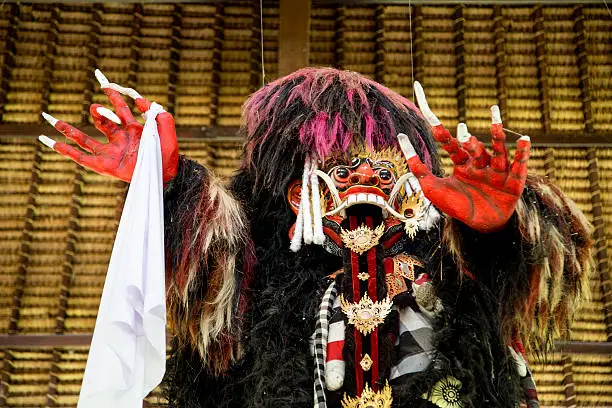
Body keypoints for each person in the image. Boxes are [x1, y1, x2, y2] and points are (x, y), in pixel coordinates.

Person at [40, 67, 591, 408]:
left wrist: (498, 230)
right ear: (294, 190)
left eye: (378, 167)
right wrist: (168, 183)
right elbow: (212, 281)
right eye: (336, 168)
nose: (360, 188)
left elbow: (533, 283)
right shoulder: (258, 270)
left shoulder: (445, 260)